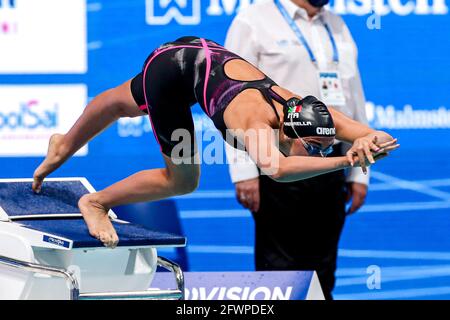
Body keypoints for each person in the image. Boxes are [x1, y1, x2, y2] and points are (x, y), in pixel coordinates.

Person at [32, 36, 398, 250]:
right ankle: (95, 202)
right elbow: (278, 171)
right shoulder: (254, 121)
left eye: (325, 147)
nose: (321, 151)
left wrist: (369, 144)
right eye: (316, 148)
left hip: (197, 52)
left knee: (119, 102)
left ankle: (63, 145)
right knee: (182, 179)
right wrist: (346, 162)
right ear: (290, 133)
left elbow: (376, 134)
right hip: (172, 73)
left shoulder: (308, 114)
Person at [224, 0, 371, 298]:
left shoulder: (337, 25)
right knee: (280, 269)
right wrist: (243, 170)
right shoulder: (253, 19)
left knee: (324, 270)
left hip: (333, 162)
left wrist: (359, 173)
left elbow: (354, 96)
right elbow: (232, 98)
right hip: (278, 158)